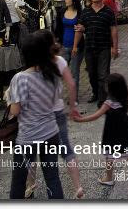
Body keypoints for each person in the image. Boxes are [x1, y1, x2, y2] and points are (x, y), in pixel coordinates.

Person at [24, 31, 83, 199]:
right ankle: (78, 186)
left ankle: (30, 184)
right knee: (66, 150)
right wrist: (73, 106)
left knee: (31, 152)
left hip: (38, 115)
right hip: (57, 111)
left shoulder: (35, 65)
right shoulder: (60, 61)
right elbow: (71, 85)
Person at [8, 33, 64, 199]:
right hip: (51, 133)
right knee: (53, 178)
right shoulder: (53, 74)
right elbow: (55, 100)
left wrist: (9, 99)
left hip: (28, 137)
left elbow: (15, 111)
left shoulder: (21, 78)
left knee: (19, 180)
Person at [73, 73, 128, 191]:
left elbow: (96, 116)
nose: (105, 86)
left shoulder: (108, 103)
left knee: (109, 155)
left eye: (107, 85)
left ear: (111, 88)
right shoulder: (125, 98)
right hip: (126, 130)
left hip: (112, 132)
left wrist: (81, 120)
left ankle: (109, 178)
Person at [74, 0, 118, 107]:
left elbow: (114, 30)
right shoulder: (85, 12)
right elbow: (79, 29)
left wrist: (114, 47)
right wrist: (75, 46)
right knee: (92, 74)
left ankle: (103, 99)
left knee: (103, 74)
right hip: (89, 48)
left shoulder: (108, 12)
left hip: (104, 47)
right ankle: (96, 92)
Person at [55, 0, 84, 102]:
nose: (66, 0)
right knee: (59, 72)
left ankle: (73, 98)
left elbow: (83, 28)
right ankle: (56, 96)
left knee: (74, 73)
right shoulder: (61, 12)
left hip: (77, 47)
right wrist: (56, 42)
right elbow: (57, 29)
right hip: (63, 46)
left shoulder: (80, 13)